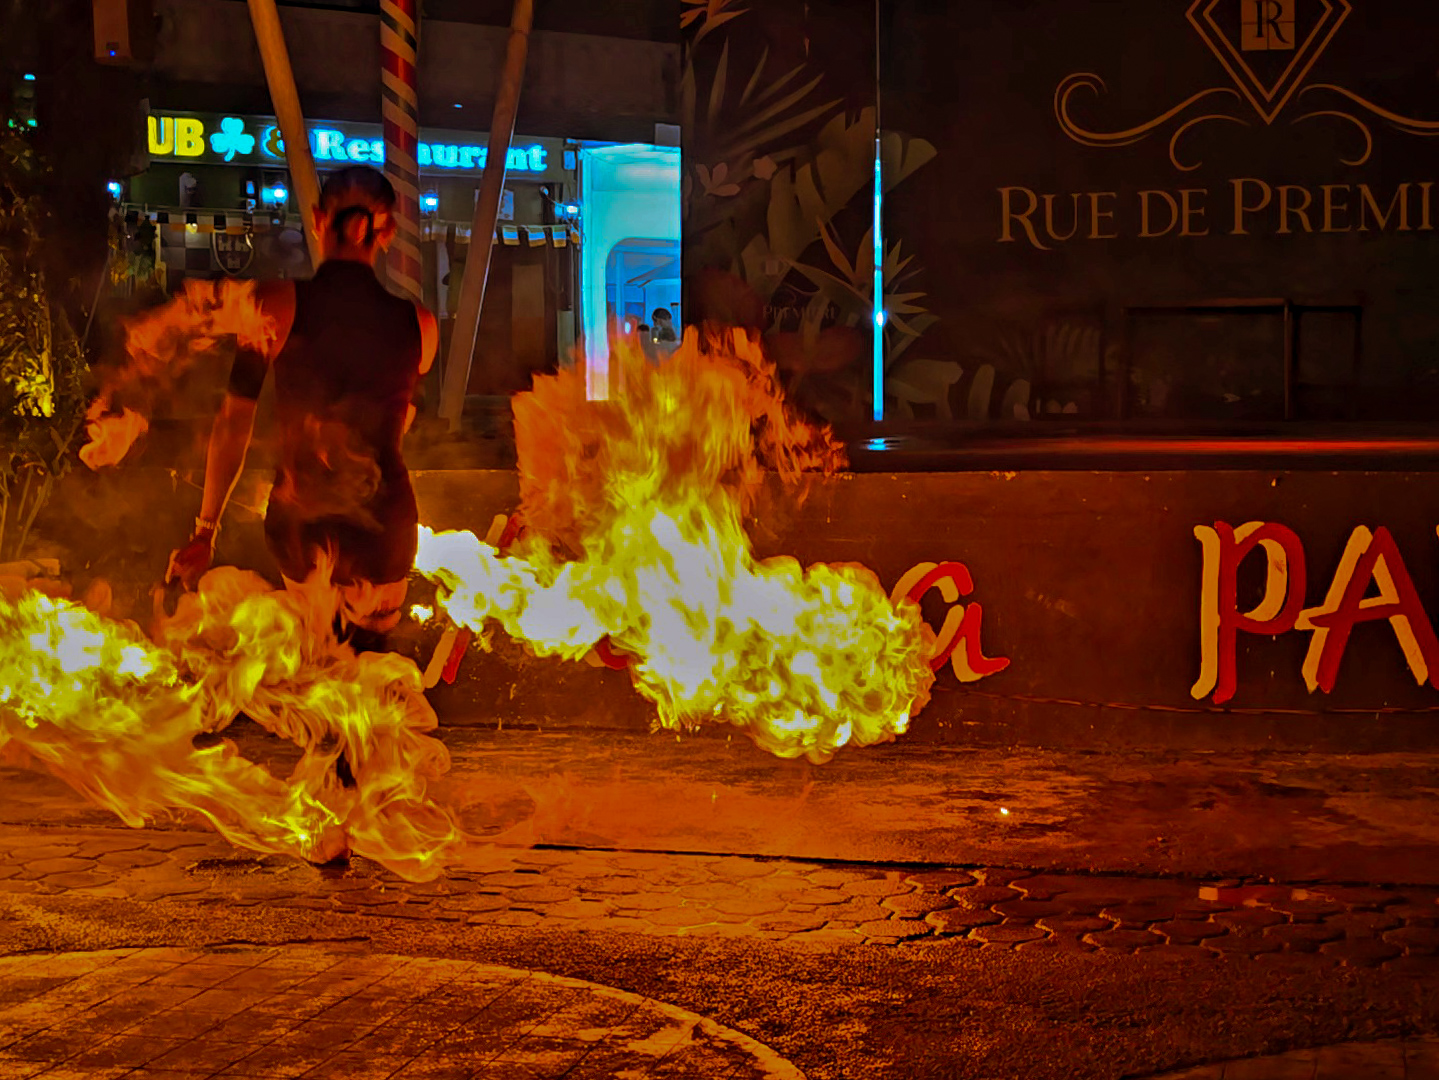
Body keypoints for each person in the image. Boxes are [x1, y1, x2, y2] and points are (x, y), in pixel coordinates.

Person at [166, 165, 439, 648]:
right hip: (386, 528)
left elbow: (233, 423)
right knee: (380, 682)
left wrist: (205, 531)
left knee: (317, 671)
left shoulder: (273, 305)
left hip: (301, 526)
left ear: (317, 220)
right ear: (388, 232)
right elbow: (401, 423)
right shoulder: (420, 325)